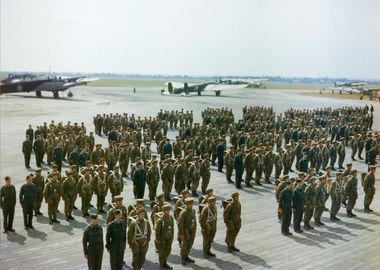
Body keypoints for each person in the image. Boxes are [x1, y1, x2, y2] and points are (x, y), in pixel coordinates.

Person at [178, 197, 197, 265]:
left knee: (190, 244)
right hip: (186, 231)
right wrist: (182, 234)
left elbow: (194, 221)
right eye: (189, 204)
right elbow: (180, 224)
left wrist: (194, 229)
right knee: (185, 244)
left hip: (192, 231)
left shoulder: (193, 210)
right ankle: (183, 257)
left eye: (192, 204)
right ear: (186, 204)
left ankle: (186, 256)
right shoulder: (183, 213)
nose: (191, 205)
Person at [155, 204, 174, 269]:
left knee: (168, 251)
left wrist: (172, 237)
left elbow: (172, 228)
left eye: (169, 210)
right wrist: (158, 240)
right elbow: (157, 231)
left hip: (169, 238)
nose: (168, 211)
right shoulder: (160, 220)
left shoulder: (171, 217)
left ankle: (164, 262)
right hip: (162, 239)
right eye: (167, 210)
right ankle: (162, 264)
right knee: (161, 252)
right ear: (164, 211)